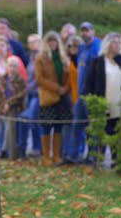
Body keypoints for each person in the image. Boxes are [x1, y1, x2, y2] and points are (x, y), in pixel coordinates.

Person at [85, 33, 121, 167]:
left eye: (119, 42)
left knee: (116, 133)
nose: (117, 45)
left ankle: (116, 160)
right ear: (107, 44)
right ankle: (97, 159)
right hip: (102, 103)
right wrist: (91, 102)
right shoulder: (98, 62)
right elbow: (88, 83)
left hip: (119, 104)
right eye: (114, 42)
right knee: (100, 133)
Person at [66, 22, 102, 163]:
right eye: (82, 31)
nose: (84, 33)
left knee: (91, 128)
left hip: (92, 94)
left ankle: (92, 156)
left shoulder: (97, 47)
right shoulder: (82, 49)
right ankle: (73, 155)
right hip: (81, 95)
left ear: (93, 31)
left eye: (87, 30)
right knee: (77, 126)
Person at [0, 35, 27, 158]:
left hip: (11, 102)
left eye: (2, 45)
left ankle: (9, 152)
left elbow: (23, 81)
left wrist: (10, 102)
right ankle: (1, 151)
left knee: (9, 127)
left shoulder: (14, 60)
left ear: (7, 46)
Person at [35, 31, 72, 166]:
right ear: (46, 43)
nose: (52, 43)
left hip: (62, 97)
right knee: (46, 126)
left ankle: (56, 155)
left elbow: (69, 76)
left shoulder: (63, 57)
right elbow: (39, 79)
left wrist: (65, 88)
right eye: (50, 41)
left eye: (55, 41)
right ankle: (46, 156)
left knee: (58, 126)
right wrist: (57, 88)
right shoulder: (40, 58)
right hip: (48, 97)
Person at [0, 56, 27, 159]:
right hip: (2, 108)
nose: (12, 68)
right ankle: (3, 150)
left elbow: (21, 95)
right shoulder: (3, 78)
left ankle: (10, 154)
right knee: (1, 128)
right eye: (10, 65)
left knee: (10, 128)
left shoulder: (20, 80)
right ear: (7, 66)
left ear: (18, 67)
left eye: (14, 66)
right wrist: (3, 105)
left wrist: (9, 103)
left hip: (14, 108)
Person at [17, 34, 43, 158]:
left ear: (40, 42)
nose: (32, 44)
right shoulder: (31, 57)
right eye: (30, 42)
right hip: (30, 93)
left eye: (34, 42)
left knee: (32, 119)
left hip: (38, 94)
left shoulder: (42, 56)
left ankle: (37, 148)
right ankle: (23, 148)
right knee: (27, 119)